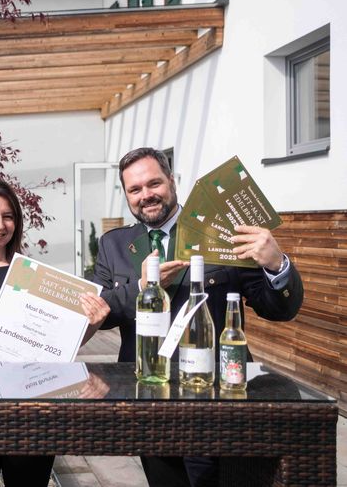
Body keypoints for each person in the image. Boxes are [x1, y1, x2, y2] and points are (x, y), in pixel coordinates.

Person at [92, 147, 304, 487]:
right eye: (135, 189)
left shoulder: (219, 231)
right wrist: (143, 287)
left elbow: (278, 308)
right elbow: (99, 313)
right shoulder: (114, 244)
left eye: (154, 183)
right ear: (126, 194)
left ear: (172, 182)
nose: (146, 195)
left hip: (221, 397)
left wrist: (276, 264)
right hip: (151, 399)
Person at [0, 178, 110, 487]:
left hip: (31, 412)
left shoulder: (33, 280)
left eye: (8, 216)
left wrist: (93, 321)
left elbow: (61, 344)